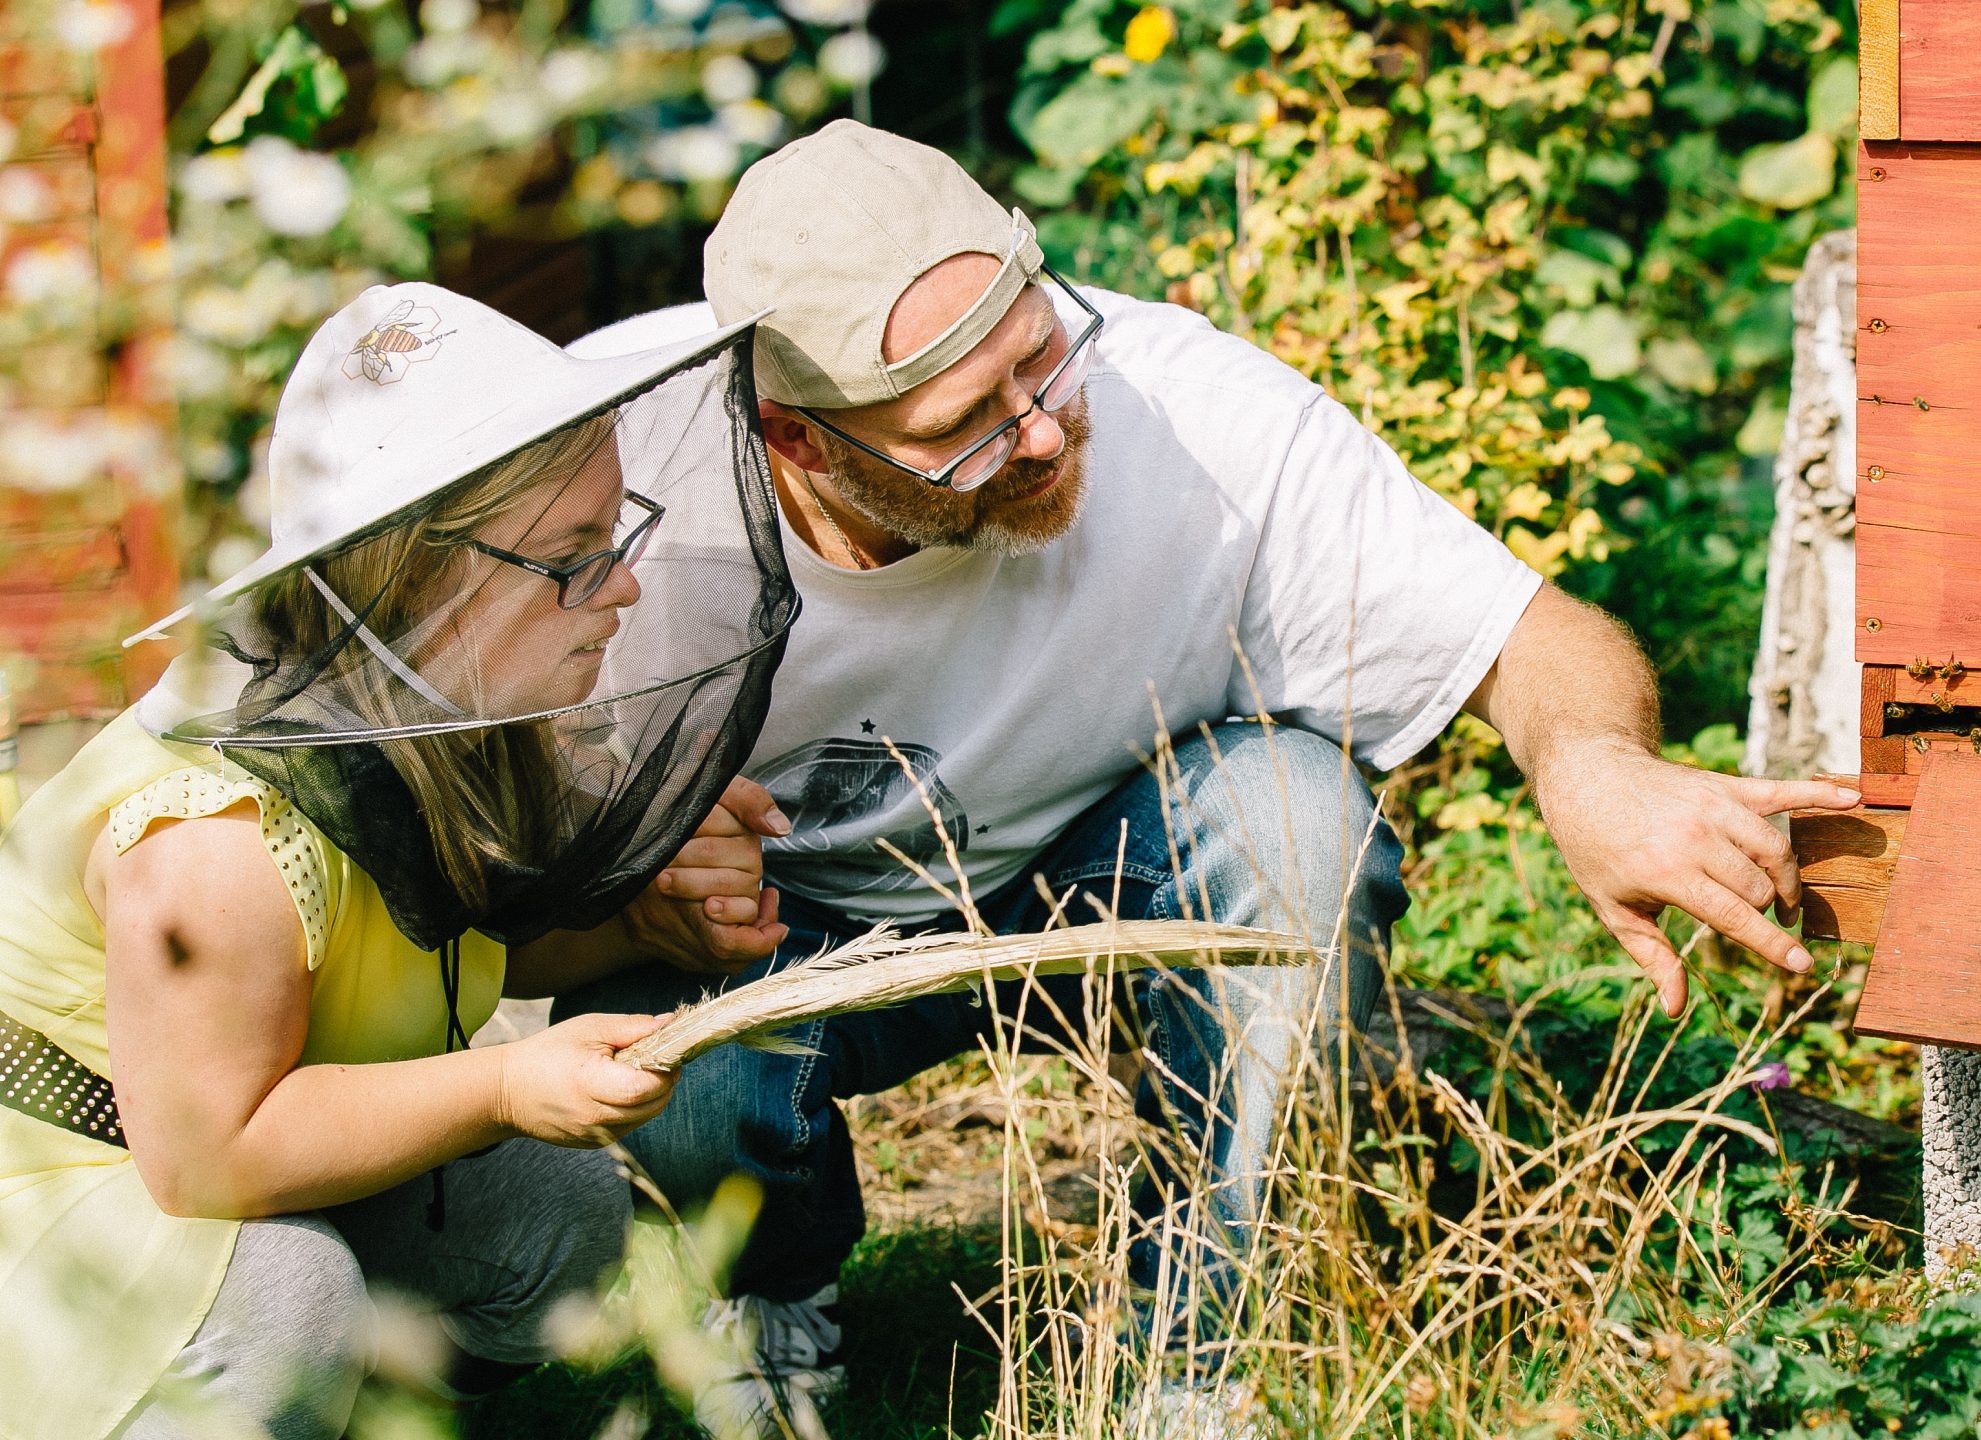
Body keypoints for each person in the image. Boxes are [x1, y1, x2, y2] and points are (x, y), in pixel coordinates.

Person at [562, 121, 1859, 1433]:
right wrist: (629, 893)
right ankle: (766, 1294)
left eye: (1038, 356)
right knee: (662, 1042)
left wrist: (1592, 766)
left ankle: (1203, 1350)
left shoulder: (1188, 412)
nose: (1040, 438)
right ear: (797, 439)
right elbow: (447, 892)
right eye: (962, 429)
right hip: (779, 944)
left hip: (1101, 879)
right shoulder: (599, 492)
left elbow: (1533, 640)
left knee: (1296, 816)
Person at [0, 282, 800, 1440]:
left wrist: (637, 928)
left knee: (550, 1207)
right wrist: (508, 1083)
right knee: (289, 1294)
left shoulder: (443, 712)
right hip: (59, 1197)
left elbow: (427, 950)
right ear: (415, 577)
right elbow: (208, 1157)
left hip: (189, 1160)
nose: (621, 585)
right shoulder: (212, 836)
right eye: (571, 556)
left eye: (613, 533)